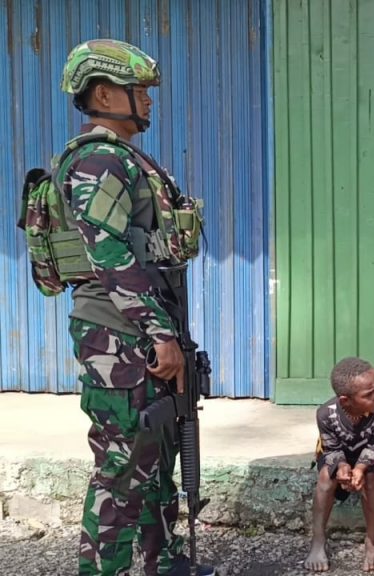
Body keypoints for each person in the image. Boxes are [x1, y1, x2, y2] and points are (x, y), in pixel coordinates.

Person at [58, 39, 214, 576]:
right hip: (117, 335)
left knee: (154, 455)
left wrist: (167, 333)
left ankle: (161, 561)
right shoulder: (98, 161)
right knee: (122, 467)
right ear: (104, 94)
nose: (148, 100)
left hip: (142, 330)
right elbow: (108, 253)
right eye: (139, 91)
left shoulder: (128, 159)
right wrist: (158, 333)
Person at [304, 358, 374, 573]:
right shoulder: (326, 414)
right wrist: (342, 467)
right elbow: (331, 449)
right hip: (337, 454)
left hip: (367, 454)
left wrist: (360, 468)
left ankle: (372, 542)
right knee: (326, 477)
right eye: (369, 394)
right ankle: (318, 540)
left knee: (371, 477)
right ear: (345, 401)